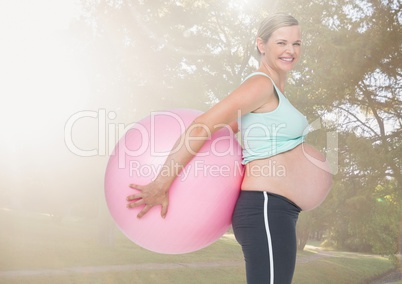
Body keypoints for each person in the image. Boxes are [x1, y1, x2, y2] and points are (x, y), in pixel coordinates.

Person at [127, 13, 332, 284]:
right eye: (281, 42)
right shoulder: (260, 84)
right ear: (262, 44)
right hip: (267, 208)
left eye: (297, 43)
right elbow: (202, 126)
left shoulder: (273, 92)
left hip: (280, 211)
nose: (291, 51)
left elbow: (224, 133)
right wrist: (161, 183)